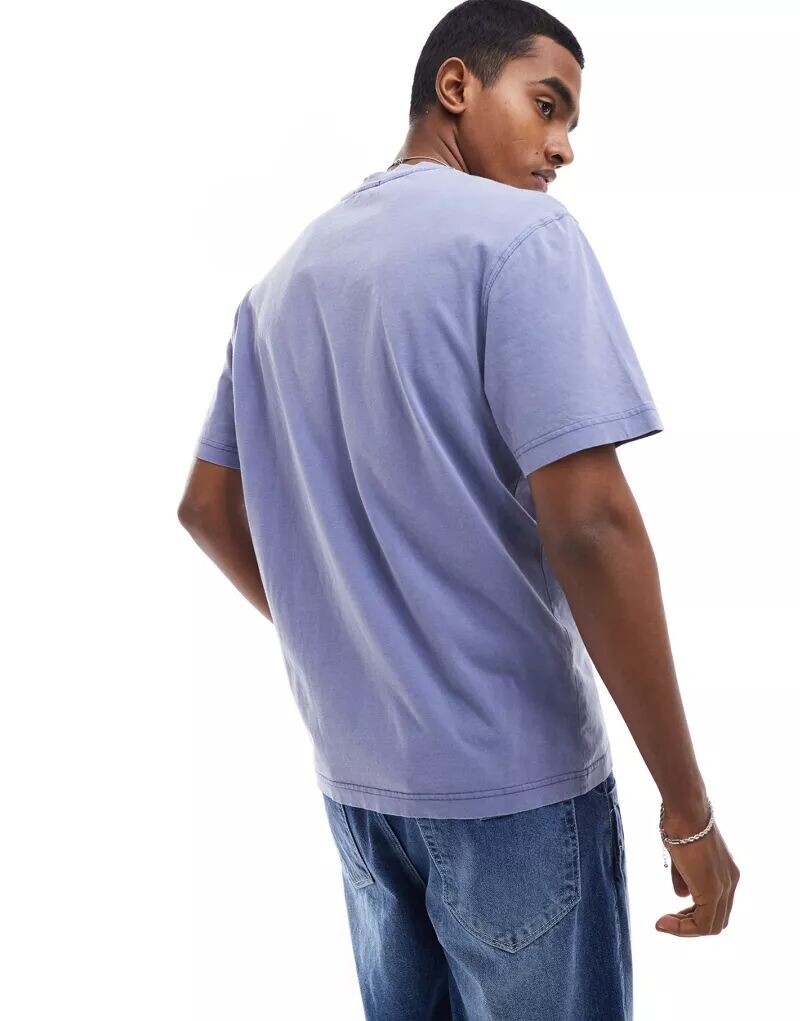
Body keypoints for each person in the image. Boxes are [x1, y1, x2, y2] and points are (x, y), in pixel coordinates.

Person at [178, 1, 740, 1016]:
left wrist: (361, 633)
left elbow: (208, 507)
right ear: (455, 86)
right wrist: (687, 809)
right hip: (514, 789)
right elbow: (591, 525)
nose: (562, 147)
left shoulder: (279, 283)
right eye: (546, 105)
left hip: (361, 792)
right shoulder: (519, 237)